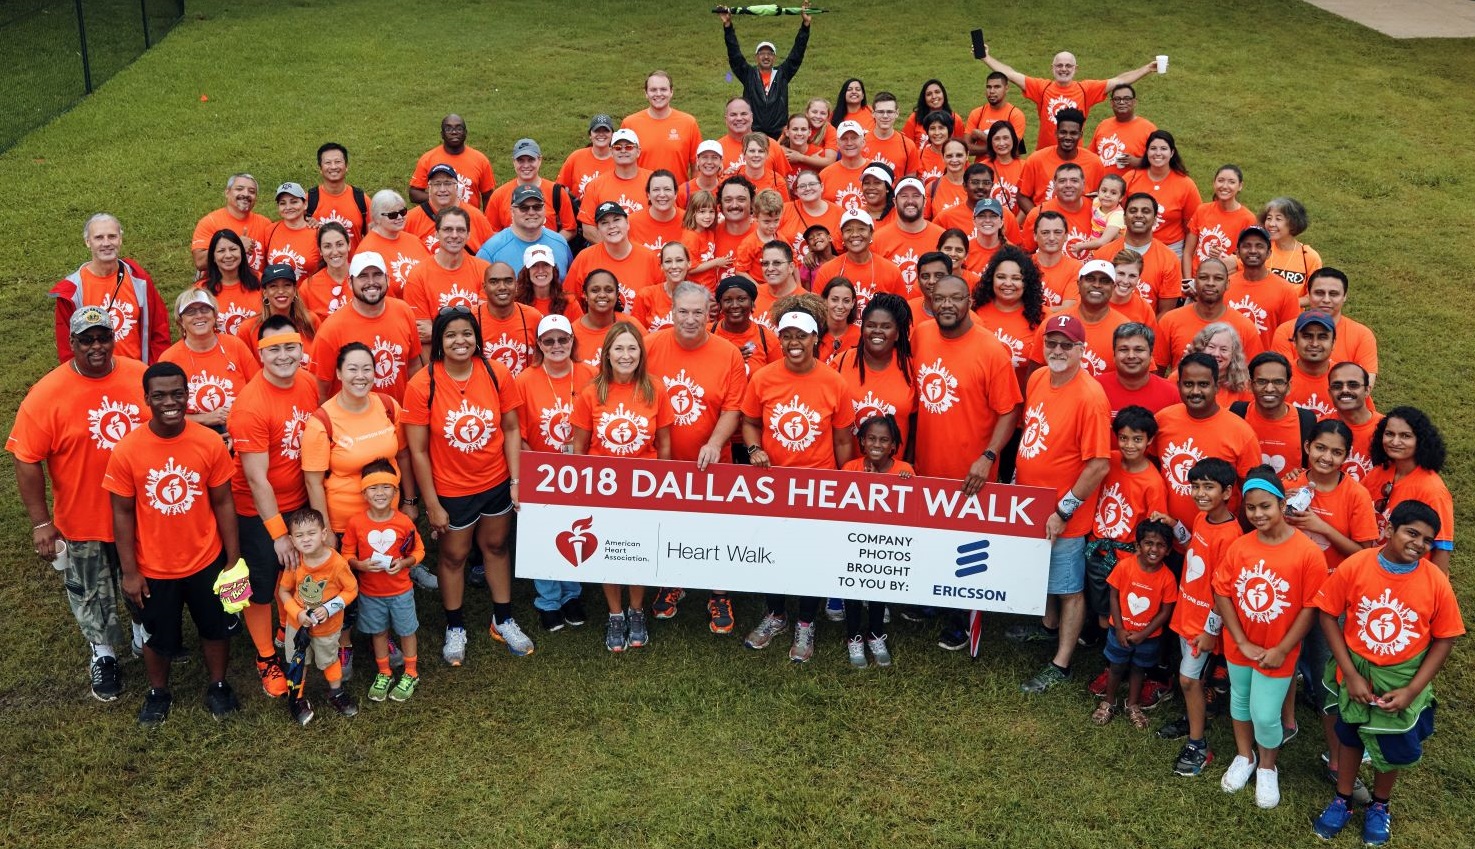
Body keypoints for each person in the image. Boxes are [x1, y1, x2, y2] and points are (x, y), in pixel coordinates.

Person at [8, 306, 149, 701]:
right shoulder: (46, 394)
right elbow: (25, 457)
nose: (96, 346)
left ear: (113, 338)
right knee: (90, 591)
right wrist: (40, 523)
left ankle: (144, 633)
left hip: (141, 513)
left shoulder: (139, 376)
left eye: (103, 337)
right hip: (82, 518)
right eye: (86, 340)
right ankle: (103, 654)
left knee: (145, 581)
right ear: (72, 344)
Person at [1310, 500, 1464, 847]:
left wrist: (1411, 691)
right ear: (1389, 530)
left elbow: (1445, 637)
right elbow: (1327, 615)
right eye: (1411, 533)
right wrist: (1349, 673)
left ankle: (1380, 805)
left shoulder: (1435, 581)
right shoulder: (1357, 566)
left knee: (1390, 746)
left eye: (1427, 540)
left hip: (1401, 681)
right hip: (1357, 674)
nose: (1419, 544)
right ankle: (1343, 799)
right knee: (1349, 737)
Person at [104, 361, 239, 727]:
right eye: (160, 394)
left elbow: (224, 501)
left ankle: (219, 685)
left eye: (177, 393)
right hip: (154, 566)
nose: (170, 401)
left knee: (216, 627)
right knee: (157, 635)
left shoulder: (208, 441)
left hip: (207, 559)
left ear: (187, 395)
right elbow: (122, 515)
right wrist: (130, 572)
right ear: (146, 398)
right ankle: (158, 692)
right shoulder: (128, 450)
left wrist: (233, 559)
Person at [403, 308, 533, 662]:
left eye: (467, 333)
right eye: (450, 335)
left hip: (494, 480)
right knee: (454, 555)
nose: (460, 341)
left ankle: (503, 618)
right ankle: (455, 626)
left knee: (495, 547)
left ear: (477, 337)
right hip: (451, 488)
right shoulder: (422, 383)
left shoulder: (496, 372)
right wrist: (431, 503)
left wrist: (516, 480)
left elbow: (510, 429)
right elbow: (416, 450)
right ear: (439, 342)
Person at [741, 302, 856, 662]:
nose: (793, 343)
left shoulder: (834, 382)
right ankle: (775, 615)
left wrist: (841, 482)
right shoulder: (763, 378)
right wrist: (755, 448)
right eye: (787, 336)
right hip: (772, 483)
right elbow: (749, 421)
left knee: (812, 557)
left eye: (801, 337)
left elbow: (841, 439)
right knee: (771, 552)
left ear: (815, 339)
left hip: (817, 483)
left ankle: (806, 623)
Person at [301, 342, 419, 675]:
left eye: (367, 368)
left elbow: (404, 455)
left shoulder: (387, 405)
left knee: (382, 579)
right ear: (338, 373)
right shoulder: (322, 420)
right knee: (345, 586)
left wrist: (409, 502)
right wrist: (325, 534)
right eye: (352, 369)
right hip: (344, 521)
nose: (360, 376)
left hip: (388, 517)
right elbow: (313, 482)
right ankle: (345, 644)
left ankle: (382, 636)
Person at [1213, 465, 1327, 810]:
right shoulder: (1239, 547)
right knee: (1240, 702)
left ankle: (1266, 765)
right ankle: (1244, 756)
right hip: (1240, 646)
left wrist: (1282, 648)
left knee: (1265, 714)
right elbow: (1222, 593)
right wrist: (1241, 640)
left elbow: (1310, 608)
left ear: (1282, 504)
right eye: (1251, 508)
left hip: (1278, 650)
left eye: (1265, 506)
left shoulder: (1307, 553)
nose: (1258, 514)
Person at [1014, 315, 1112, 694]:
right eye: (1052, 343)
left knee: (1069, 588)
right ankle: (1047, 627)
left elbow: (1099, 464)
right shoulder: (1040, 378)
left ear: (1081, 350)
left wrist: (1064, 509)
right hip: (1032, 502)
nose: (1057, 350)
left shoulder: (1089, 397)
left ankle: (1062, 662)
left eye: (1066, 345)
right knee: (1044, 576)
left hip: (1064, 514)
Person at [645, 282, 748, 631]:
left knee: (716, 529)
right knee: (668, 525)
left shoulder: (728, 353)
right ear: (672, 312)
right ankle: (673, 582)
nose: (690, 319)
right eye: (683, 312)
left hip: (712, 463)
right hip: (661, 461)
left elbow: (733, 407)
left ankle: (719, 594)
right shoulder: (650, 345)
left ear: (710, 315)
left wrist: (716, 443)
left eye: (698, 313)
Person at [225, 314, 318, 700]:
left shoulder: (309, 384)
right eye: (273, 349)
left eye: (290, 347)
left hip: (298, 499)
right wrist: (277, 532)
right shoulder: (250, 405)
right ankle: (265, 657)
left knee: (292, 572)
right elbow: (256, 477)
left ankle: (285, 630)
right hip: (255, 510)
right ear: (260, 354)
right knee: (257, 587)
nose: (283, 356)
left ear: (301, 348)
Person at [1282, 419, 1379, 773]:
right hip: (1288, 591)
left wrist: (1323, 528)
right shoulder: (1291, 484)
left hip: (1331, 600)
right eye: (1320, 448)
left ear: (1347, 457)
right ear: (1307, 446)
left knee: (1328, 675)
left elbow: (1364, 555)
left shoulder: (1355, 495)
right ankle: (1284, 724)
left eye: (1336, 452)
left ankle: (1338, 759)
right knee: (1285, 660)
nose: (1326, 457)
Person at [571, 324, 673, 652]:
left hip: (644, 488)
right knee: (610, 551)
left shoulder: (655, 388)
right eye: (619, 349)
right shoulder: (591, 392)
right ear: (607, 354)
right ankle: (616, 614)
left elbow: (665, 445)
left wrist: (663, 487)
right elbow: (580, 447)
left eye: (632, 348)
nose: (626, 355)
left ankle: (637, 610)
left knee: (637, 551)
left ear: (641, 354)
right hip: (603, 488)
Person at [514, 315, 594, 630]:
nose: (557, 346)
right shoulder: (525, 379)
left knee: (576, 530)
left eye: (563, 339)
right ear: (539, 345)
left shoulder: (590, 373)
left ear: (573, 342)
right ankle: (547, 600)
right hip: (540, 470)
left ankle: (572, 594)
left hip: (579, 470)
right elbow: (517, 432)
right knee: (543, 534)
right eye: (549, 341)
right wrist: (537, 468)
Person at [1163, 457, 1239, 775]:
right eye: (1195, 486)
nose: (1200, 493)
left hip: (1201, 624)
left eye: (1208, 487)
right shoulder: (1203, 518)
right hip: (1186, 613)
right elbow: (1191, 546)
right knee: (1189, 679)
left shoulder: (1230, 536)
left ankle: (1198, 745)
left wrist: (1210, 631)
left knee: (1188, 679)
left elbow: (1224, 592)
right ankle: (1193, 718)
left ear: (1228, 492)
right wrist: (1173, 524)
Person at [342, 460, 426, 703]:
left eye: (386, 487)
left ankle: (411, 672)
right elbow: (346, 554)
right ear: (364, 493)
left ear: (396, 491)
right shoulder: (356, 523)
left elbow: (419, 551)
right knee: (378, 632)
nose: (380, 493)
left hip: (401, 591)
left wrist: (404, 563)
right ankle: (384, 672)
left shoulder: (403, 522)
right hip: (370, 593)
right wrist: (359, 565)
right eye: (373, 488)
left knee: (407, 630)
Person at [1083, 406, 1167, 645]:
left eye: (1138, 439)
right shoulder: (1108, 462)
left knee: (1117, 604)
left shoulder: (1153, 483)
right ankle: (1100, 640)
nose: (1130, 445)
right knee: (1097, 597)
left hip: (1125, 557)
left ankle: (1111, 650)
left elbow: (1155, 526)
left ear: (1150, 441)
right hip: (1096, 547)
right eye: (1124, 438)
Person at [837, 413, 912, 668]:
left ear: (893, 444)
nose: (877, 445)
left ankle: (876, 633)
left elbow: (912, 507)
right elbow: (841, 507)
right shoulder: (851, 468)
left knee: (879, 588)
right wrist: (865, 482)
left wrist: (903, 485)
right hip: (853, 543)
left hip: (885, 547)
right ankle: (854, 636)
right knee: (853, 590)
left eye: (884, 440)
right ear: (862, 441)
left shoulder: (904, 470)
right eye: (871, 439)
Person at [1154, 352, 1260, 528]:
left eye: (1203, 384)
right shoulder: (1162, 421)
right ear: (1178, 385)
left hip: (1217, 541)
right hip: (1165, 538)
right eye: (1188, 384)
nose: (1195, 391)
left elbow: (1251, 492)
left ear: (1216, 387)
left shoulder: (1241, 432)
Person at [982, 44, 1158, 149]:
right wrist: (986, 58)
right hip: (1045, 154)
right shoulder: (1042, 88)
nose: (1063, 69)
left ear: (1076, 69)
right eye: (1059, 65)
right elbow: (1011, 74)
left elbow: (1119, 80)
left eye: (1068, 66)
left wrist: (1147, 69)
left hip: (1073, 155)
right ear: (1052, 68)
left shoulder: (1085, 89)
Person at [277, 507, 360, 725]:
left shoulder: (337, 563)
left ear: (324, 534)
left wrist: (331, 607)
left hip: (327, 627)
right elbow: (283, 592)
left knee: (329, 659)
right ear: (291, 539)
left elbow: (351, 590)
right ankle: (297, 698)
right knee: (299, 660)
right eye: (299, 535)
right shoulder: (295, 562)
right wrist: (297, 613)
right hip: (298, 625)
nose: (305, 540)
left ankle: (336, 692)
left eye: (311, 533)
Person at [52, 213, 169, 364]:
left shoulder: (140, 280)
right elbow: (67, 348)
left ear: (120, 239)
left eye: (112, 236)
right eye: (99, 237)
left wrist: (154, 372)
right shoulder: (72, 291)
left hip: (137, 376)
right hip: (96, 380)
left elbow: (159, 330)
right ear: (88, 242)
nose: (106, 243)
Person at [1093, 519, 1177, 728]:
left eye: (1161, 545)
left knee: (1139, 669)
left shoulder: (1167, 578)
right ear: (1138, 546)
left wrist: (1144, 634)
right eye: (1148, 543)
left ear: (1168, 551)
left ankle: (1132, 704)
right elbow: (1113, 597)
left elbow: (1165, 611)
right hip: (1118, 631)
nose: (1154, 549)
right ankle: (1109, 701)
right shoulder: (1124, 567)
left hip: (1148, 637)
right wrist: (1120, 628)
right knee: (1116, 666)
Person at [312, 251, 422, 403]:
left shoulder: (404, 311)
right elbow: (320, 390)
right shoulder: (331, 329)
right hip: (353, 423)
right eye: (363, 276)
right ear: (350, 283)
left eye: (377, 274)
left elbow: (414, 366)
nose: (371, 282)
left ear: (387, 279)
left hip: (399, 419)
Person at [1362, 407, 1454, 573]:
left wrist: (1435, 592)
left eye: (1405, 436)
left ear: (1421, 441)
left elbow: (1442, 547)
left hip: (1408, 578)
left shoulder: (1433, 490)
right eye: (1389, 434)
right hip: (1372, 569)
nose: (1395, 442)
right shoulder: (1380, 472)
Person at [159, 289, 261, 435]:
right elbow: (162, 414)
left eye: (204, 309)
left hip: (240, 430)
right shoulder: (169, 359)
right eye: (191, 312)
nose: (199, 315)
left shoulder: (235, 346)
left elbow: (258, 392)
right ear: (181, 321)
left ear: (214, 314)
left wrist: (236, 422)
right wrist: (205, 418)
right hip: (192, 436)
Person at [833, 293, 915, 454]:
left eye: (886, 326)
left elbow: (915, 426)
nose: (877, 331)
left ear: (897, 333)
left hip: (893, 474)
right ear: (862, 329)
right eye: (871, 325)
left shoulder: (910, 368)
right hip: (847, 473)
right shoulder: (840, 363)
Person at [1269, 267, 1379, 385]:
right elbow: (1280, 380)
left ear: (1345, 296)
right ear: (1309, 294)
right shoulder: (1286, 331)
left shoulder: (1362, 335)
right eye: (1319, 293)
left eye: (1333, 294)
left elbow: (1365, 385)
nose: (1326, 300)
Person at [718, 3, 812, 138]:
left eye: (770, 53)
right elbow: (734, 55)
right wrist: (728, 26)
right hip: (753, 133)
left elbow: (797, 53)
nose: (766, 56)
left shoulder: (783, 74)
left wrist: (805, 25)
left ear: (774, 57)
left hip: (779, 135)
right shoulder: (748, 74)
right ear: (756, 57)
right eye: (762, 53)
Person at [1154, 258, 1262, 372]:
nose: (1210, 283)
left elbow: (1253, 376)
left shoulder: (1245, 327)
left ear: (1227, 284)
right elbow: (1157, 374)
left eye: (1218, 278)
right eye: (1203, 277)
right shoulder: (1170, 321)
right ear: (1195, 282)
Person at [403, 208, 490, 348]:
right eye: (448, 229)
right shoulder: (418, 275)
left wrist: (435, 332)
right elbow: (422, 337)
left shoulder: (484, 270)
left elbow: (486, 327)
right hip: (437, 361)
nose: (454, 235)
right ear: (437, 234)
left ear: (468, 235)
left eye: (460, 230)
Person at [1027, 260, 1128, 376]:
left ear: (1113, 287)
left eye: (1104, 281)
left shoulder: (1125, 329)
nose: (1097, 285)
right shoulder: (1053, 324)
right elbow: (1034, 374)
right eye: (1090, 279)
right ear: (1079, 283)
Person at [1092, 192, 1181, 315]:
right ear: (1124, 218)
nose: (1139, 215)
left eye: (1145, 211)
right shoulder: (1102, 255)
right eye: (1133, 211)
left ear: (1155, 219)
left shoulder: (1169, 260)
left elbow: (1166, 312)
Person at [1231, 351, 1317, 473]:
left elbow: (1314, 471)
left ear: (1289, 387)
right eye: (1261, 381)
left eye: (1278, 382)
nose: (1269, 389)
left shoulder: (1306, 420)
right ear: (1250, 385)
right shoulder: (1237, 413)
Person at [566, 202, 661, 311]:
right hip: (598, 325)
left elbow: (662, 299)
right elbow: (568, 299)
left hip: (639, 327)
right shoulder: (584, 258)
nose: (611, 226)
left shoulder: (649, 258)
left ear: (627, 223)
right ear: (598, 230)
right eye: (604, 223)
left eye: (616, 220)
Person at [813, 209, 907, 317]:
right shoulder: (827, 270)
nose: (855, 234)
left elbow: (902, 314)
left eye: (861, 229)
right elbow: (818, 312)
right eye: (848, 230)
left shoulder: (891, 270)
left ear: (871, 233)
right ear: (842, 235)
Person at [483, 139, 577, 239]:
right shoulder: (499, 195)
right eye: (520, 160)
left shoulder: (556, 192)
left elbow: (569, 229)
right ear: (513, 162)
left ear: (540, 160)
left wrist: (551, 244)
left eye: (531, 160)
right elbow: (491, 232)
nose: (526, 165)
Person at [1224, 224, 1300, 348]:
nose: (1253, 250)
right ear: (1237, 253)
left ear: (1269, 253)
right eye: (1247, 246)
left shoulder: (1285, 290)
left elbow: (1291, 335)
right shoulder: (1225, 285)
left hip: (1265, 364)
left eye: (1259, 246)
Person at [972, 244, 1045, 373]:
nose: (1008, 283)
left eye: (1016, 278)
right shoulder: (974, 313)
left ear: (1026, 282)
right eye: (1001, 277)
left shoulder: (1043, 317)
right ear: (991, 279)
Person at [1125, 131, 1200, 255]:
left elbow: (1193, 225)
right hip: (1133, 246)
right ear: (1147, 152)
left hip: (1171, 248)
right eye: (1153, 148)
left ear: (1172, 153)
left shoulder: (1186, 185)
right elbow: (1117, 212)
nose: (1158, 153)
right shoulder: (1131, 178)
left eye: (1163, 149)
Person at [475, 184, 574, 275]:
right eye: (524, 208)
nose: (531, 212)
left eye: (537, 207)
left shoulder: (560, 243)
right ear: (512, 212)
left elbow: (570, 288)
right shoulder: (491, 250)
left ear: (544, 209)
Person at [1017, 108, 1102, 213]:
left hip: (1080, 227)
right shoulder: (1036, 160)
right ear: (1056, 133)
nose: (1067, 137)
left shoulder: (1095, 163)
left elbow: (1102, 197)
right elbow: (1022, 196)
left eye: (1073, 133)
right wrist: (1040, 219)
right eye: (1063, 132)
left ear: (1081, 135)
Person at [577, 129, 652, 243]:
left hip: (647, 249)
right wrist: (614, 249)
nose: (623, 150)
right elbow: (588, 228)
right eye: (617, 147)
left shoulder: (654, 181)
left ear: (638, 151)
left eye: (629, 147)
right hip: (609, 252)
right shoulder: (596, 185)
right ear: (611, 151)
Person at [873, 177, 944, 295]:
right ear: (895, 202)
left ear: (925, 201)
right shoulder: (878, 239)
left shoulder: (941, 237)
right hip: (892, 309)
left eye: (916, 195)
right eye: (904, 196)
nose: (910, 201)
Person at [235, 261, 319, 359]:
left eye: (287, 285)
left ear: (295, 290)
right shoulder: (248, 329)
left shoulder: (311, 320)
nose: (281, 291)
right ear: (265, 292)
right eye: (273, 286)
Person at [404, 164, 495, 254]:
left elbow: (492, 253)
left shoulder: (476, 217)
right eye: (437, 184)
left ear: (456, 187)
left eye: (448, 183)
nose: (442, 189)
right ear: (429, 188)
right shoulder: (410, 219)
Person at [1184, 165, 1256, 278]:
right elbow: (1188, 252)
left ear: (1240, 186)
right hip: (1196, 280)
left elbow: (1250, 257)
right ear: (1214, 183)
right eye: (1220, 181)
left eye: (1231, 182)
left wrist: (1230, 260)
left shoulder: (1248, 219)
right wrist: (1188, 281)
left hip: (1225, 284)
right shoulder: (1202, 210)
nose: (1225, 186)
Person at [409, 114, 495, 208]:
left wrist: (487, 221)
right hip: (437, 219)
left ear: (465, 132)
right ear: (442, 134)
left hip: (470, 219)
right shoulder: (427, 159)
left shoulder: (481, 160)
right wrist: (440, 197)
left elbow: (488, 195)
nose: (454, 132)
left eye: (459, 128)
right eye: (448, 129)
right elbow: (414, 194)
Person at [356, 190, 431, 297]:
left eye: (403, 212)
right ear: (377, 218)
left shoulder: (414, 240)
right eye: (392, 215)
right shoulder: (367, 251)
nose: (400, 217)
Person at [192, 172, 270, 275]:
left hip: (254, 287)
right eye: (239, 189)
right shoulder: (210, 222)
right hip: (218, 288)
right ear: (227, 192)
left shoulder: (265, 224)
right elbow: (200, 262)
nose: (246, 194)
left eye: (251, 191)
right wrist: (237, 245)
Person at [1095, 322, 1177, 417]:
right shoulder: (1095, 389)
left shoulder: (1172, 394)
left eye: (1139, 350)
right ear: (1114, 355)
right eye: (1123, 349)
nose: (1131, 356)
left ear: (1151, 355)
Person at [479, 260, 543, 378]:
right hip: (486, 392)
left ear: (516, 285)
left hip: (522, 393)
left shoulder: (534, 317)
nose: (502, 287)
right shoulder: (471, 319)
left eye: (508, 281)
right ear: (485, 287)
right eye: (494, 282)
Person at [571, 268, 645, 367]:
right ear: (585, 295)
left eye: (609, 290)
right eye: (595, 290)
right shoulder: (572, 332)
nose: (602, 295)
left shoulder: (632, 325)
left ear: (617, 295)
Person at [199, 228, 263, 336]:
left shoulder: (260, 280)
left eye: (233, 249)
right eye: (221, 251)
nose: (228, 255)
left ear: (242, 252)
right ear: (213, 257)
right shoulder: (201, 290)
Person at [1020, 166, 1093, 259]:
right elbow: (1025, 253)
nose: (1068, 185)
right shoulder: (1038, 213)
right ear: (1054, 185)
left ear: (1083, 184)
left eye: (1074, 180)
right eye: (1062, 181)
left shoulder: (1098, 209)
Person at [306, 142, 369, 249]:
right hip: (320, 265)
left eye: (338, 161)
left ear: (346, 166)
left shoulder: (361, 198)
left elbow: (373, 235)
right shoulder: (309, 200)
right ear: (320, 168)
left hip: (353, 264)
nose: (333, 167)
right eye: (328, 162)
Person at [1090, 84, 1157, 176]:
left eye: (1127, 99)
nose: (1121, 102)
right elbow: (1091, 157)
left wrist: (1138, 162)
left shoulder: (1148, 128)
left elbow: (1160, 160)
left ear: (1134, 102)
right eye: (1117, 99)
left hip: (1133, 187)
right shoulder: (1103, 125)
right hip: (1103, 187)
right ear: (1111, 103)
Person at [712, 275, 771, 377]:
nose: (735, 305)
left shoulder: (766, 338)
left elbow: (777, 377)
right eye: (728, 300)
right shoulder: (707, 334)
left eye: (742, 299)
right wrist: (730, 358)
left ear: (752, 303)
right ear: (720, 305)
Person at [1328, 361, 1378, 482]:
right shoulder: (1319, 427)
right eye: (1337, 386)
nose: (1345, 390)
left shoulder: (1388, 430)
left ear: (1367, 390)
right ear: (1330, 393)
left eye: (1353, 385)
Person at [1187, 321, 1254, 408]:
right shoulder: (1180, 377)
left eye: (1224, 349)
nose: (1216, 354)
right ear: (1200, 348)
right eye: (1211, 347)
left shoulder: (1244, 386)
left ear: (1233, 354)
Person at [1285, 310, 1338, 417]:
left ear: (1333, 343)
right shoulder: (1279, 377)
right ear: (1295, 341)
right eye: (1307, 336)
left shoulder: (1347, 378)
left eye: (1322, 337)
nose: (1314, 344)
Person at [1260, 196, 1322, 288]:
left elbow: (1313, 295)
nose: (1271, 224)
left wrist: (1287, 302)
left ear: (1293, 224)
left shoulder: (1309, 257)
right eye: (1269, 218)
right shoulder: (1260, 249)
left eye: (1278, 219)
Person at [264, 182, 321, 280]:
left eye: (294, 202)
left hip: (307, 294)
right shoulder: (270, 230)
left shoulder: (317, 232)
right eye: (282, 203)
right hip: (278, 294)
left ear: (305, 204)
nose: (288, 207)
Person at [965, 73, 1027, 156]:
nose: (992, 91)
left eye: (997, 87)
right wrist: (997, 148)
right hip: (982, 168)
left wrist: (981, 135)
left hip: (1006, 167)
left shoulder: (1015, 115)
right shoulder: (977, 113)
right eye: (989, 87)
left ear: (1006, 88)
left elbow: (1012, 148)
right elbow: (965, 149)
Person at [1029, 211, 1082, 309]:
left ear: (1066, 236)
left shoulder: (1076, 268)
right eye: (1045, 233)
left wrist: (1033, 311)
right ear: (1035, 236)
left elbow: (1068, 308)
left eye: (1057, 232)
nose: (1052, 238)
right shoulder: (1023, 264)